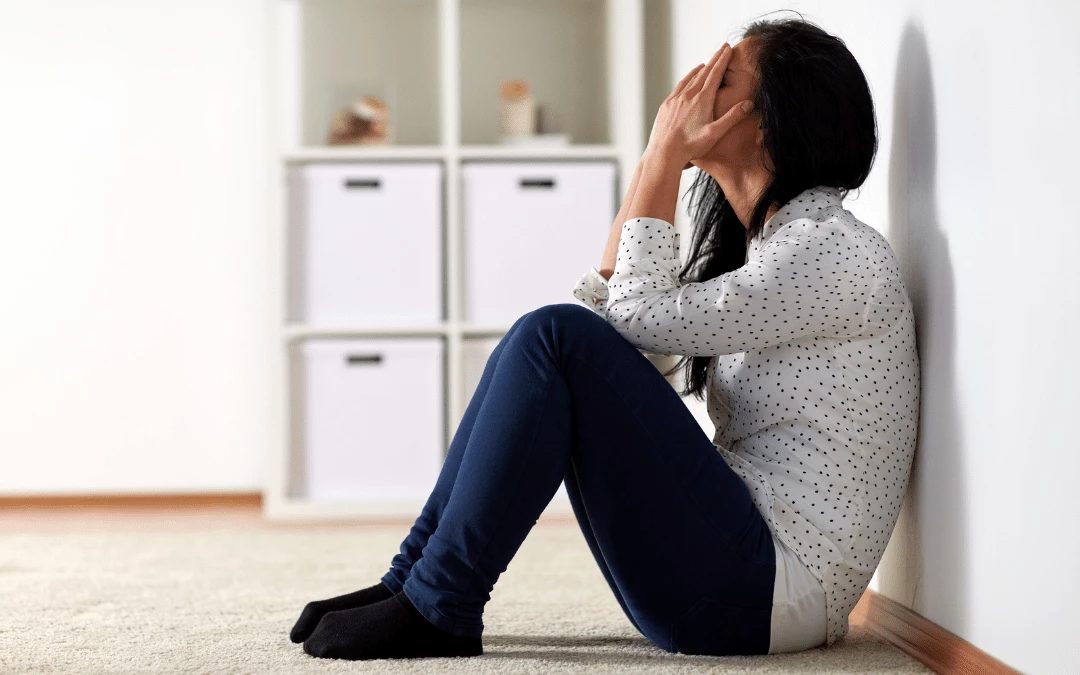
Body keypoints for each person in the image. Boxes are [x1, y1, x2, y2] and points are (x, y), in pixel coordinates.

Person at [289, 15, 919, 661]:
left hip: (761, 591)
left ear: (771, 120)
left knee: (551, 337)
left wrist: (663, 154)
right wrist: (659, 157)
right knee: (535, 342)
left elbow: (622, 320)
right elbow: (618, 326)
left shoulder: (828, 252)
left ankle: (439, 602)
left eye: (720, 78)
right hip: (739, 582)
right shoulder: (774, 252)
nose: (688, 92)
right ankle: (413, 582)